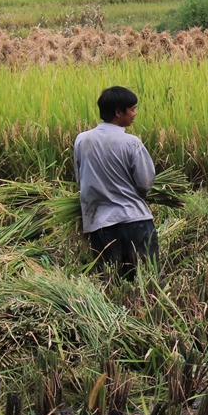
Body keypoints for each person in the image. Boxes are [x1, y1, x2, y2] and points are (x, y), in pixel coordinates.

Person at [73, 86, 158, 280]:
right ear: (118, 112)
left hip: (100, 225)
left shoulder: (82, 140)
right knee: (148, 281)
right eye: (132, 109)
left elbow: (81, 181)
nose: (135, 114)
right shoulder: (131, 142)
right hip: (135, 222)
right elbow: (145, 183)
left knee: (110, 283)